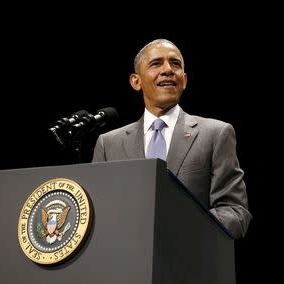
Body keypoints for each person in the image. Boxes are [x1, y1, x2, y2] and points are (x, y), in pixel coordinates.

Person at [92, 39, 251, 239]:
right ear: (136, 81)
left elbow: (235, 212)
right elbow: (98, 215)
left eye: (175, 64)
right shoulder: (108, 144)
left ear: (184, 80)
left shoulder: (216, 133)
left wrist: (181, 229)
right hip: (126, 263)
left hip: (190, 262)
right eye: (156, 63)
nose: (168, 69)